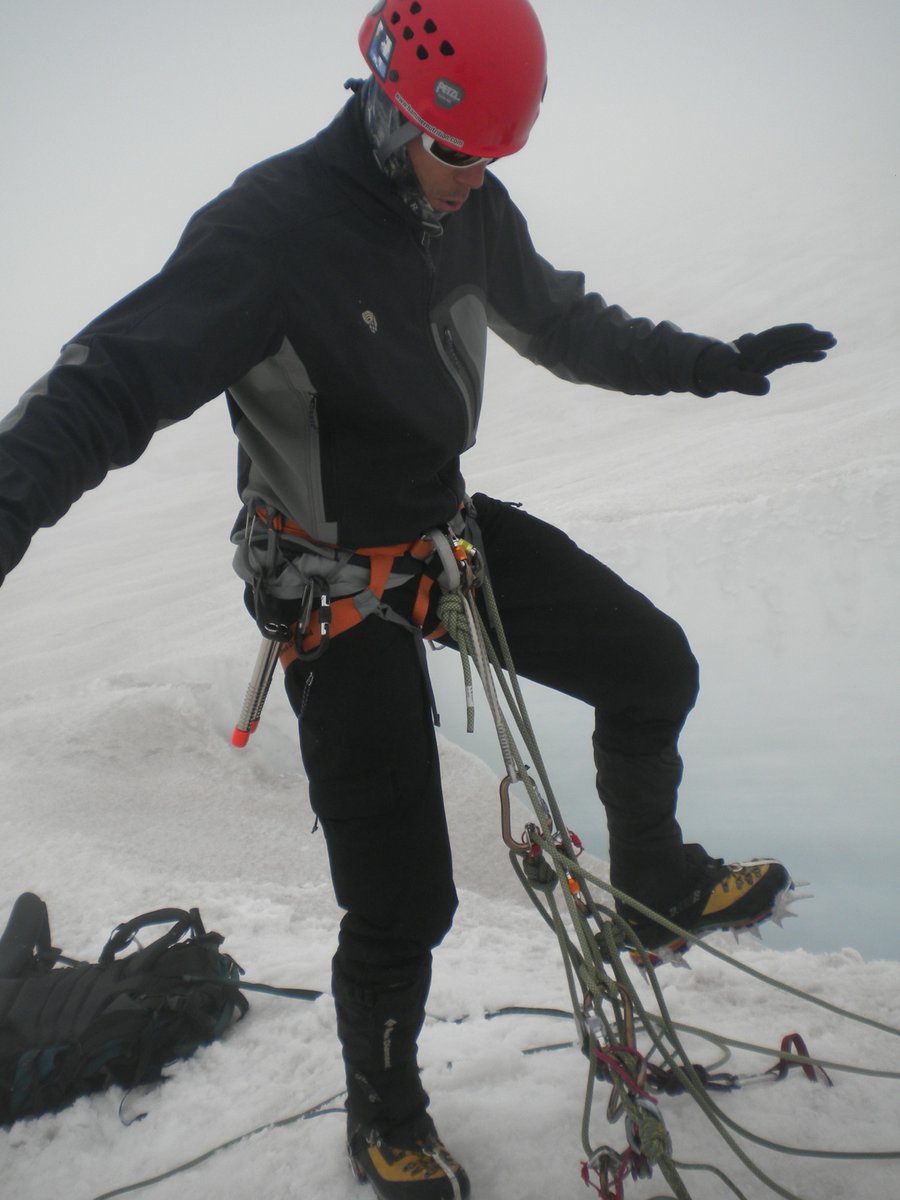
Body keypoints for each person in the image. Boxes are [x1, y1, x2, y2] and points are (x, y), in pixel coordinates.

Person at [0, 2, 835, 1196]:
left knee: (653, 666)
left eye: (494, 160)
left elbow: (563, 322)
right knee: (403, 898)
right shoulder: (268, 231)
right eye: (459, 154)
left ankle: (652, 885)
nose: (472, 184)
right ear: (392, 104)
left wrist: (707, 360)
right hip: (327, 583)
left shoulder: (467, 202)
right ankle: (383, 1108)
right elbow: (109, 381)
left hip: (443, 537)